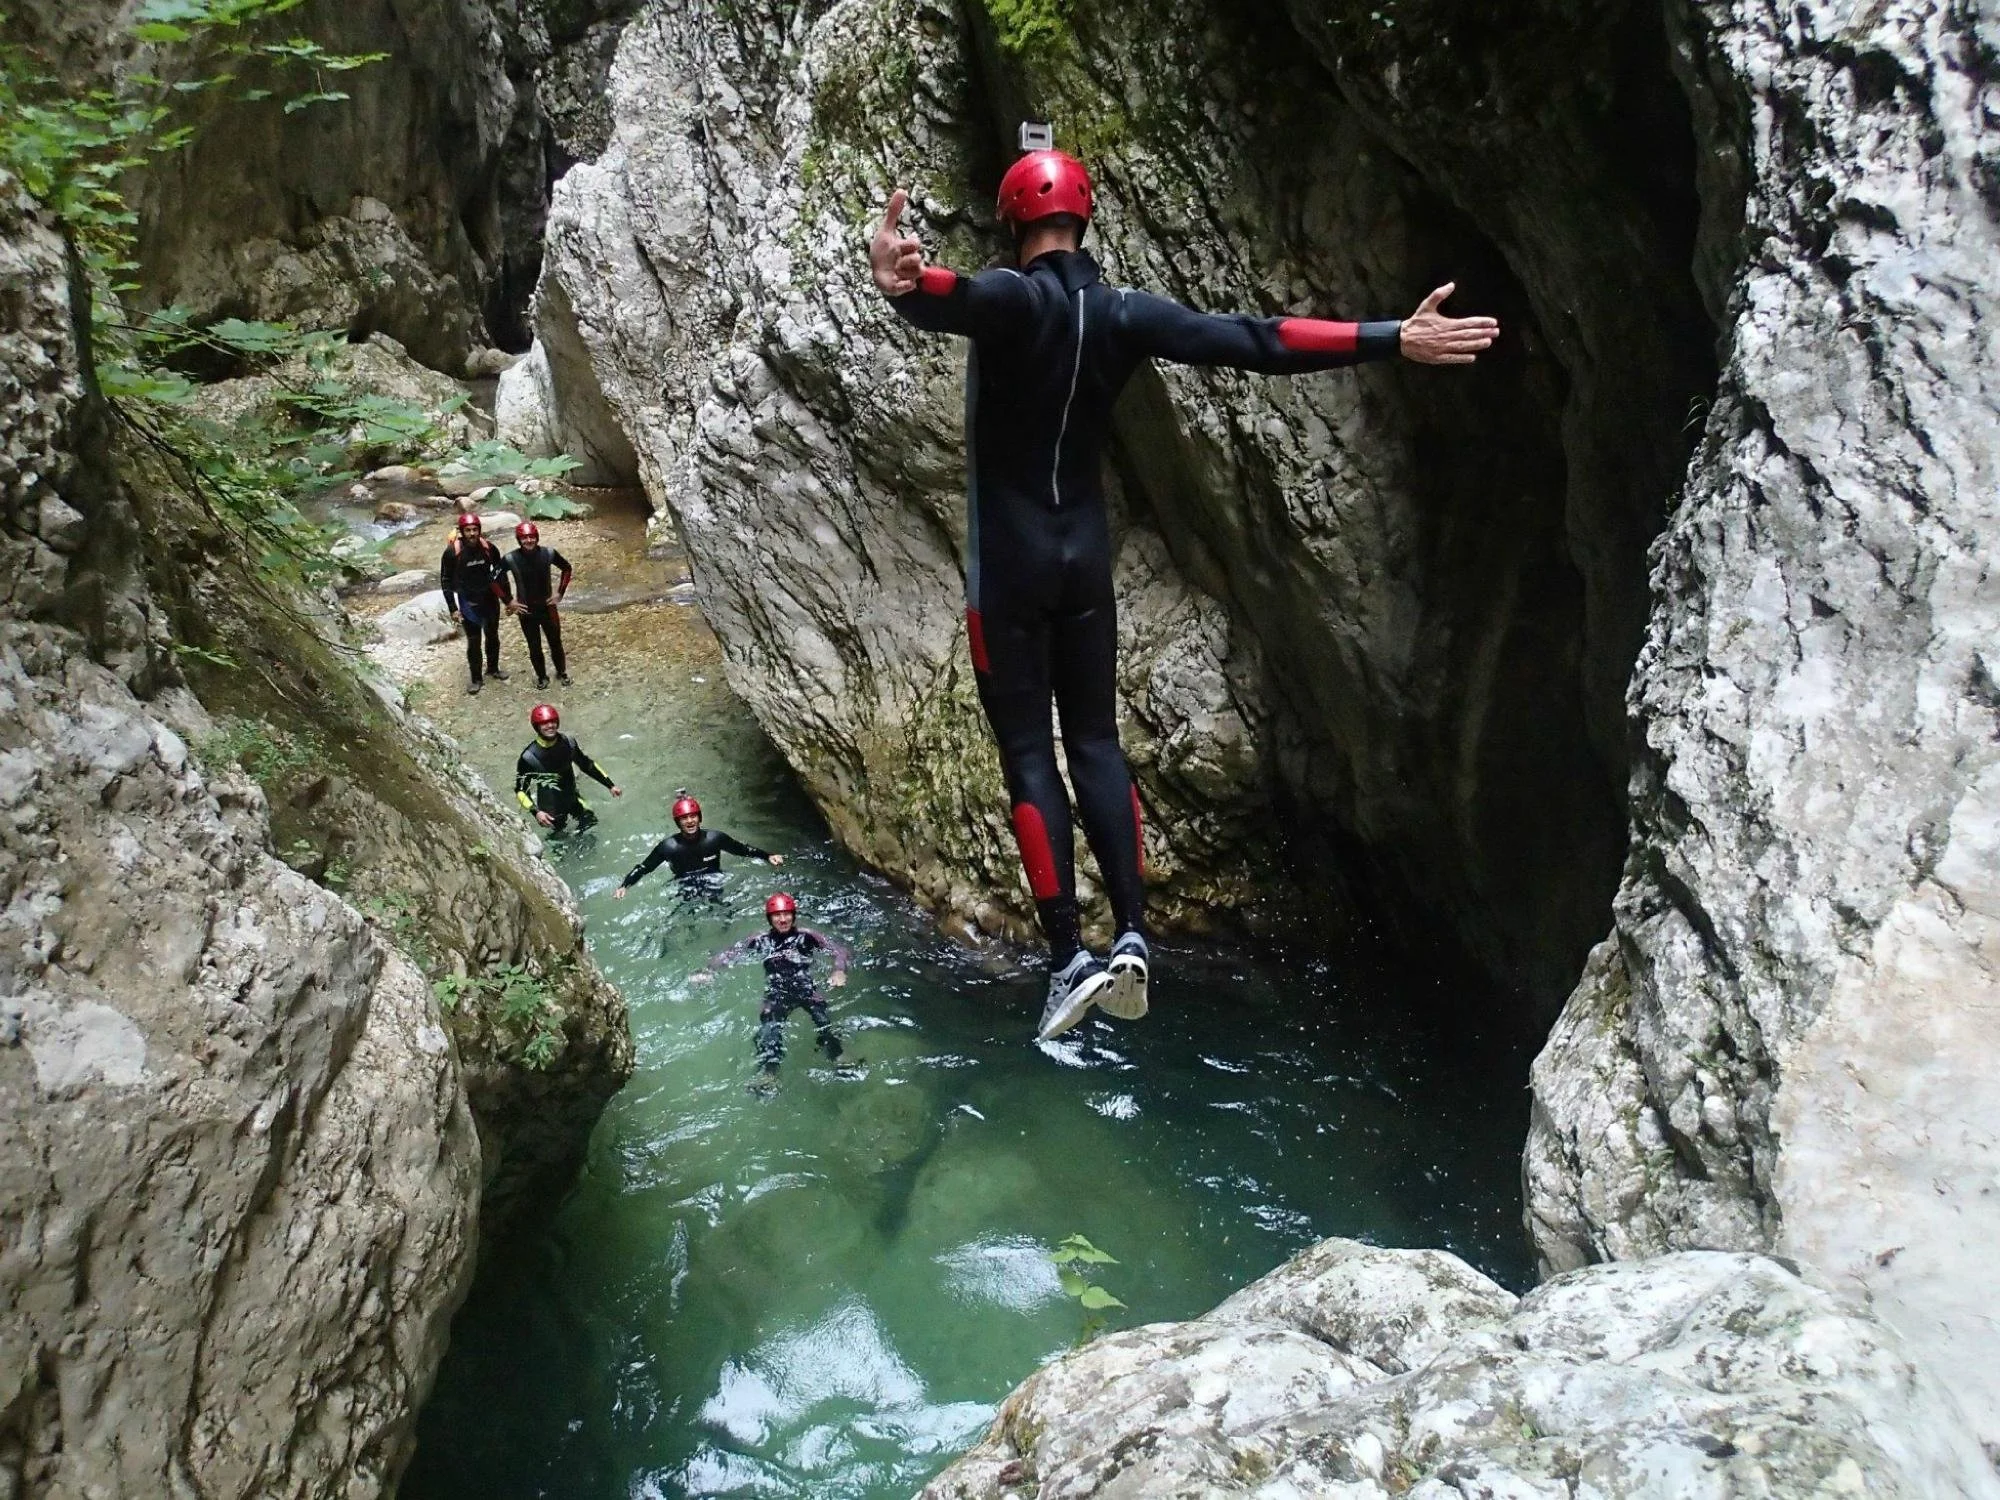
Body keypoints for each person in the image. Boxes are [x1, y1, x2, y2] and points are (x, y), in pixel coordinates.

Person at [869, 145, 1498, 1042]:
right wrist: (1391, 335)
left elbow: (962, 298)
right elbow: (1258, 339)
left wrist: (909, 282)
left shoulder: (1013, 298)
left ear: (1014, 224)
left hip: (1006, 575)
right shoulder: (1126, 315)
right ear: (1087, 219)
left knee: (1028, 756)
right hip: (1084, 564)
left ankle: (1066, 958)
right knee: (1094, 739)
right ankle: (1131, 933)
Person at [693, 892, 850, 1086]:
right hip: (777, 992)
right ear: (769, 918)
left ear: (793, 915)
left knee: (822, 1019)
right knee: (769, 1028)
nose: (783, 919)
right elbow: (730, 953)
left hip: (806, 987)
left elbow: (839, 950)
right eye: (777, 915)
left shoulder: (807, 936)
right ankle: (769, 1073)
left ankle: (837, 1056)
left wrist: (838, 970)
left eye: (787, 914)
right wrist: (707, 970)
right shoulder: (760, 940)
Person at [612, 792, 784, 903]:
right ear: (678, 823)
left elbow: (743, 849)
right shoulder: (669, 847)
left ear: (699, 818)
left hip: (714, 879)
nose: (690, 821)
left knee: (722, 911)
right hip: (684, 882)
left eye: (693, 816)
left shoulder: (715, 838)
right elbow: (644, 867)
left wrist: (767, 856)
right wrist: (625, 886)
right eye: (684, 818)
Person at [515, 703, 622, 833]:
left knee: (591, 823)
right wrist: (536, 812)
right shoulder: (529, 757)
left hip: (573, 798)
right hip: (550, 810)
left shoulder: (569, 743)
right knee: (559, 838)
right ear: (537, 727)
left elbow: (586, 764)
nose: (550, 726)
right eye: (544, 723)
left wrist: (610, 785)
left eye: (553, 722)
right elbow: (520, 790)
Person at [439, 512, 512, 694]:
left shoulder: (489, 548)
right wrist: (452, 608)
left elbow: (500, 574)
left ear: (480, 530)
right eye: (468, 530)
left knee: (493, 635)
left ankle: (493, 669)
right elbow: (445, 580)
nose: (472, 534)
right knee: (473, 641)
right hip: (468, 602)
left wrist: (508, 600)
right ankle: (476, 679)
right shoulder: (452, 553)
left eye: (475, 530)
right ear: (462, 532)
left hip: (489, 599)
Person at [503, 520, 574, 690]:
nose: (529, 541)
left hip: (548, 607)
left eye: (532, 537)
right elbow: (494, 578)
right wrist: (509, 601)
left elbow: (567, 568)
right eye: (524, 538)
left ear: (537, 537)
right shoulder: (511, 558)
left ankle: (561, 672)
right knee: (534, 645)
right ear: (519, 539)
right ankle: (542, 677)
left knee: (555, 641)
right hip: (526, 610)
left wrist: (560, 593)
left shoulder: (548, 553)